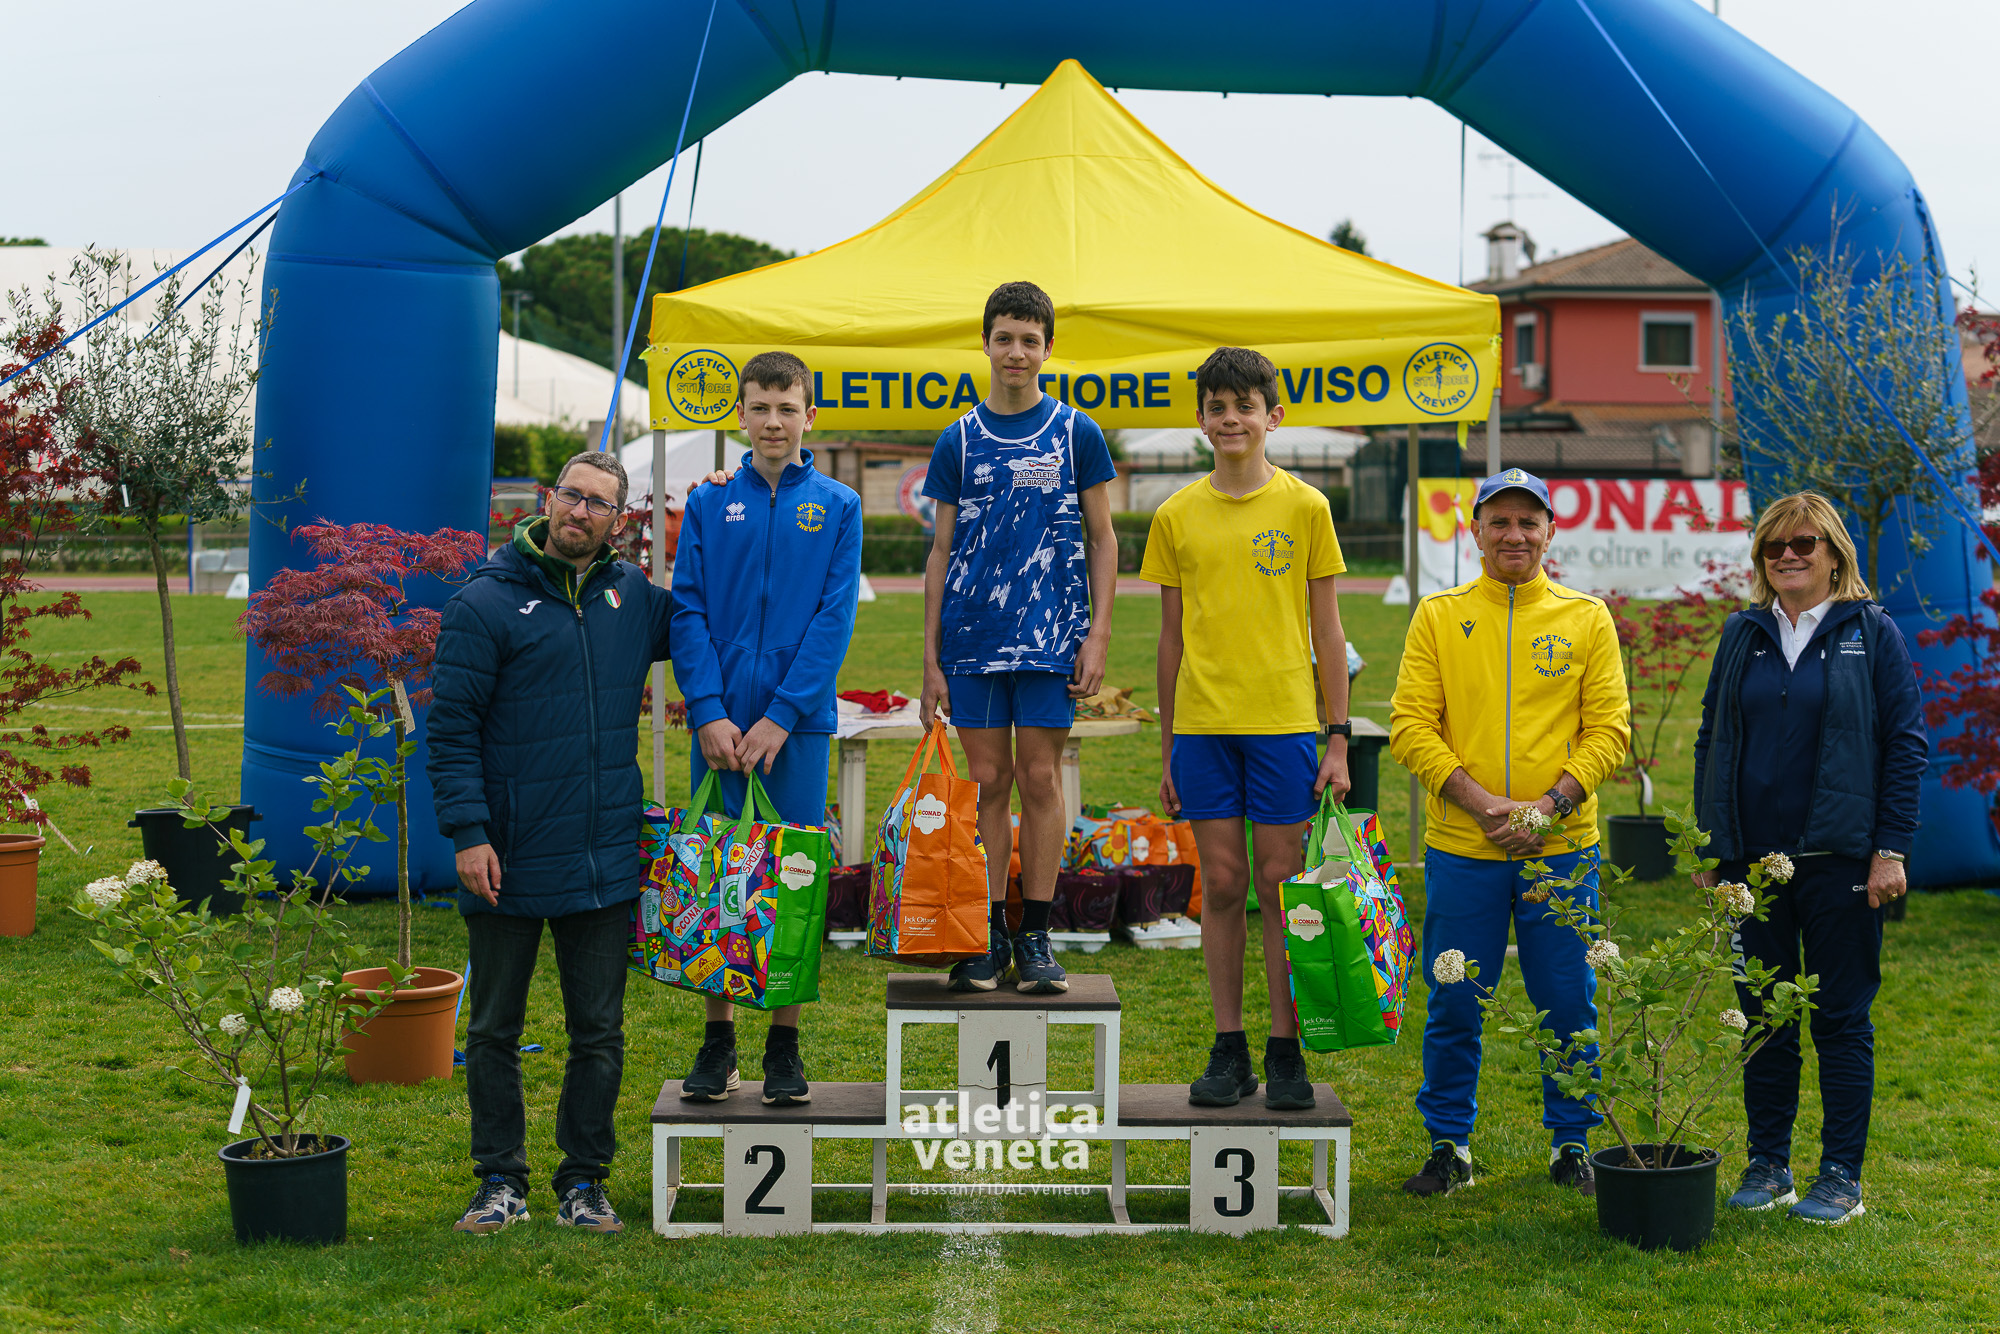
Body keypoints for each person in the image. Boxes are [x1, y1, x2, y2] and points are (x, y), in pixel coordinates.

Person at [428, 450, 675, 1236]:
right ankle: (499, 1180)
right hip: (505, 854)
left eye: (599, 503)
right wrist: (469, 834)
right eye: (572, 495)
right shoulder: (484, 602)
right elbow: (450, 733)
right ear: (548, 499)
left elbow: (715, 618)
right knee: (493, 1030)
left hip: (602, 853)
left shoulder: (634, 599)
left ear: (618, 522)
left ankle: (584, 1183)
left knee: (597, 1033)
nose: (581, 512)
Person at [1389, 467, 1630, 1198]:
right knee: (1456, 1000)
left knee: (1568, 1003)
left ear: (1551, 531)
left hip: (1561, 850)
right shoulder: (1438, 615)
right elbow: (1410, 726)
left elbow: (1610, 730)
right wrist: (1482, 805)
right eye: (1500, 521)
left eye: (1529, 522)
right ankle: (1449, 1146)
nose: (1515, 535)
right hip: (1464, 848)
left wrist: (1546, 808)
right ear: (1476, 531)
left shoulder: (1587, 617)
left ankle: (1573, 1144)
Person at [1691, 490, 1925, 1227]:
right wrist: (1710, 845)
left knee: (1841, 1019)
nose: (1788, 556)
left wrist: (1890, 850)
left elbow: (1906, 745)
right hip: (1753, 867)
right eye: (1774, 546)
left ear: (1833, 555)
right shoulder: (1743, 633)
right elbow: (1711, 739)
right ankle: (1769, 1165)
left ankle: (1841, 1177)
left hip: (1842, 861)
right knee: (1763, 1016)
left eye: (1804, 544)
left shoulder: (1872, 632)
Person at [1143, 346, 1352, 1111]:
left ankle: (1285, 1048)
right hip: (1203, 729)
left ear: (1274, 416)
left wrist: (1337, 736)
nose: (1231, 419)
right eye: (1218, 407)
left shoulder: (1306, 507)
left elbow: (1328, 630)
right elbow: (1170, 639)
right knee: (1225, 883)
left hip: (1284, 724)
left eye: (1245, 407)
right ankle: (1229, 1048)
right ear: (1201, 419)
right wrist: (1168, 746)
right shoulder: (1175, 515)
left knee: (1279, 885)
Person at [671, 350, 862, 1106]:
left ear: (810, 415)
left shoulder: (839, 506)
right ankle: (718, 1042)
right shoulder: (709, 503)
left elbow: (833, 619)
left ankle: (784, 1043)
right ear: (740, 416)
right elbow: (687, 608)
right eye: (760, 408)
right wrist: (708, 710)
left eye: (787, 409)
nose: (774, 422)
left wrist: (782, 715)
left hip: (797, 729)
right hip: (719, 728)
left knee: (793, 880)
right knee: (720, 878)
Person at [919, 280, 1119, 995]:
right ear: (985, 343)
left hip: (1050, 641)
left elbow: (1104, 538)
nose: (1016, 351)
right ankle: (987, 935)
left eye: (1029, 340)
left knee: (1039, 779)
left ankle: (1035, 934)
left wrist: (1097, 634)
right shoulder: (958, 439)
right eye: (1004, 337)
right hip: (972, 643)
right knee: (987, 783)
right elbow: (940, 551)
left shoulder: (1075, 432)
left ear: (1048, 348)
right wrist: (930, 660)